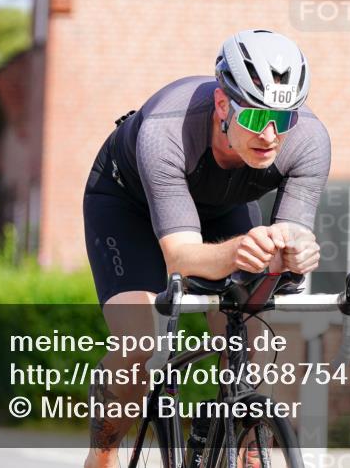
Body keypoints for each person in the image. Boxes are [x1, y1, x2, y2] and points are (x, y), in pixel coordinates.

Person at [82, 29, 330, 468]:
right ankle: (102, 453)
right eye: (254, 119)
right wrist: (242, 252)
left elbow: (286, 244)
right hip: (127, 206)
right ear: (222, 105)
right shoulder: (166, 130)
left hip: (222, 209)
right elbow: (181, 257)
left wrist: (298, 253)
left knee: (252, 334)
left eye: (284, 118)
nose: (271, 135)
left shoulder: (309, 142)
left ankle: (249, 445)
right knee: (140, 341)